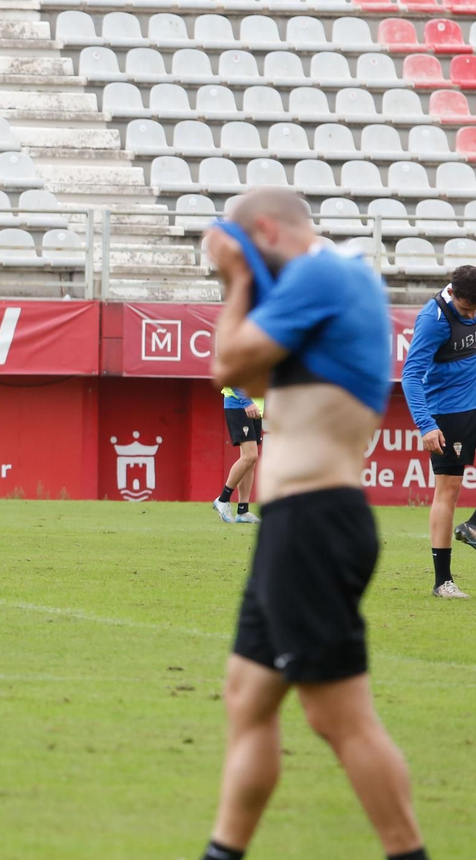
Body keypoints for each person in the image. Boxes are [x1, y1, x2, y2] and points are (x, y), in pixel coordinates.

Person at [198, 189, 427, 860]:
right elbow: (256, 373)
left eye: (245, 247)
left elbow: (227, 365)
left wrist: (237, 275)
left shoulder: (324, 272)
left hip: (315, 522)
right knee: (247, 697)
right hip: (294, 524)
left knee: (338, 718)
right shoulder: (338, 280)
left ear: (265, 230)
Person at [400, 263, 476, 599]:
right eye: (466, 307)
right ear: (453, 293)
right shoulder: (432, 321)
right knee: (448, 491)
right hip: (447, 415)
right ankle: (443, 582)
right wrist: (426, 424)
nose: (472, 312)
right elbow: (410, 376)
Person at [213, 387, 263, 525]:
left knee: (251, 461)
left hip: (255, 408)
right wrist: (247, 402)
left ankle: (243, 511)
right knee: (250, 456)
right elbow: (234, 377)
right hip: (240, 405)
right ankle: (223, 499)